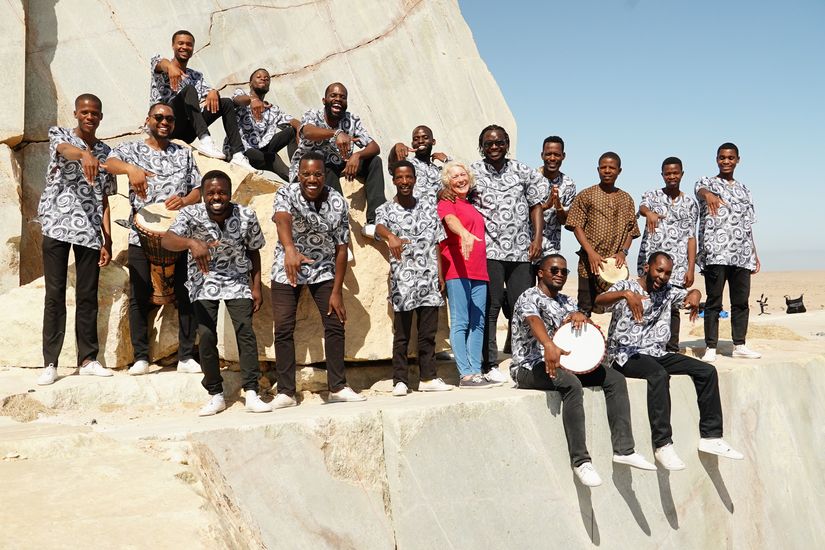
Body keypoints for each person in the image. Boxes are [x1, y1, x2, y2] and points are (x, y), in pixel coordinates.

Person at [511, 254, 656, 487]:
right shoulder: (529, 297)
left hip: (566, 364)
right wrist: (548, 345)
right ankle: (581, 461)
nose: (560, 275)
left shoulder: (566, 301)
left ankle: (624, 449)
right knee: (571, 385)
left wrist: (581, 316)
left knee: (615, 379)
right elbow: (533, 321)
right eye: (554, 270)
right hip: (530, 366)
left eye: (564, 272)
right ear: (540, 272)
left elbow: (579, 321)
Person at [595, 251, 744, 469]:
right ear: (647, 268)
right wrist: (625, 294)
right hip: (625, 354)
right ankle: (663, 445)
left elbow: (690, 293)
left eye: (667, 273)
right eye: (659, 270)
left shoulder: (667, 291)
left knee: (706, 372)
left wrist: (695, 294)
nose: (662, 277)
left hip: (656, 352)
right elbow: (599, 301)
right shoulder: (625, 287)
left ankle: (711, 437)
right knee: (658, 375)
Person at [162, 170, 270, 416]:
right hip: (204, 278)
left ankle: (252, 392)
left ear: (230, 193)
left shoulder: (246, 215)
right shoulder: (190, 213)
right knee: (207, 335)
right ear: (203, 195)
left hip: (237, 277)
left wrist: (256, 286)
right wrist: (191, 243)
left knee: (245, 331)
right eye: (211, 193)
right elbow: (167, 240)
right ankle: (215, 394)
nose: (216, 197)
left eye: (221, 192)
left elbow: (254, 250)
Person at [106, 102, 201, 376]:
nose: (164, 122)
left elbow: (198, 189)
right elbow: (109, 163)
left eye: (169, 119)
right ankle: (141, 358)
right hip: (141, 235)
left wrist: (184, 200)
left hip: (178, 233)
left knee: (186, 292)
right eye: (159, 117)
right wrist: (131, 170)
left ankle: (185, 356)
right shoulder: (133, 149)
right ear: (148, 119)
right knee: (139, 295)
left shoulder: (184, 154)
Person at [271, 152, 366, 406]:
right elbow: (282, 219)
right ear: (298, 175)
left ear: (325, 176)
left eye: (317, 174)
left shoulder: (336, 201)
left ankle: (337, 387)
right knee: (282, 327)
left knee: (335, 323)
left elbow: (342, 248)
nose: (311, 179)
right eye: (306, 174)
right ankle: (286, 392)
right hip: (288, 265)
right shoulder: (286, 193)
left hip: (323, 267)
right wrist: (290, 250)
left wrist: (336, 291)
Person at [36, 94, 116, 385]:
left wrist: (107, 239)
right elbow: (66, 150)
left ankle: (88, 359)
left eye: (94, 112)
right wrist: (83, 155)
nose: (89, 116)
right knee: (55, 295)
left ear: (101, 117)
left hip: (89, 231)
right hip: (57, 224)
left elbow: (104, 198)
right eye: (84, 112)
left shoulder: (107, 151)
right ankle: (51, 362)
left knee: (87, 297)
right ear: (76, 113)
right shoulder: (60, 134)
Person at [469, 125, 547, 383]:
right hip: (488, 250)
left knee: (521, 306)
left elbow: (536, 207)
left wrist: (537, 239)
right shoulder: (473, 172)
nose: (494, 147)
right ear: (482, 146)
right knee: (489, 308)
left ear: (506, 144)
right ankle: (489, 363)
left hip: (522, 251)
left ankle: (523, 358)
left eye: (499, 142)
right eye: (489, 143)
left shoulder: (523, 171)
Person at [375, 161, 454, 396]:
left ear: (415, 179)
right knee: (401, 335)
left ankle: (428, 378)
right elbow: (378, 226)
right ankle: (400, 380)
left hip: (429, 279)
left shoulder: (428, 207)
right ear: (394, 181)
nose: (405, 182)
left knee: (427, 335)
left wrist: (440, 274)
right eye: (400, 178)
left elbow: (437, 242)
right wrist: (391, 236)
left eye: (408, 177)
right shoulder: (387, 209)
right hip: (403, 281)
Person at [288, 82, 386, 235]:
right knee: (324, 166)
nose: (338, 99)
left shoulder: (351, 119)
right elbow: (306, 132)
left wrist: (357, 155)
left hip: (340, 164)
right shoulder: (313, 115)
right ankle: (339, 227)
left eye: (343, 97)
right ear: (324, 100)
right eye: (333, 96)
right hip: (314, 169)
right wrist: (336, 133)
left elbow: (374, 146)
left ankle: (375, 222)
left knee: (375, 161)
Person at [695, 143, 761, 362]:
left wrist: (754, 253)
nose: (726, 161)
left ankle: (739, 344)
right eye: (722, 157)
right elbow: (700, 191)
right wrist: (708, 195)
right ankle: (711, 346)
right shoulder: (707, 182)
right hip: (716, 252)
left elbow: (748, 225)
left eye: (730, 158)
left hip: (741, 253)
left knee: (741, 301)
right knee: (714, 300)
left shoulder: (745, 190)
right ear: (716, 159)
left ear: (737, 160)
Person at [149, 30, 251, 169]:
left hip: (186, 131)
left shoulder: (196, 76)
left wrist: (214, 92)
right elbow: (160, 63)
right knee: (189, 90)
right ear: (173, 46)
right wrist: (170, 67)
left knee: (226, 103)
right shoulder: (163, 67)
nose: (184, 47)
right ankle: (205, 140)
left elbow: (209, 93)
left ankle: (238, 154)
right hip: (165, 125)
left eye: (189, 44)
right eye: (180, 43)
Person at [437, 161, 494, 389]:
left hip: (480, 270)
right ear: (447, 183)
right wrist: (464, 234)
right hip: (457, 270)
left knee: (478, 322)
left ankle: (476, 371)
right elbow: (450, 221)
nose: (460, 179)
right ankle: (465, 374)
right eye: (454, 176)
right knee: (460, 321)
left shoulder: (471, 203)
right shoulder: (446, 201)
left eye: (463, 175)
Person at [566, 152, 640, 315]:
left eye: (611, 168)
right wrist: (591, 253)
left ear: (619, 171)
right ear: (598, 169)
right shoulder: (586, 194)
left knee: (620, 309)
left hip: (616, 266)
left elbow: (631, 230)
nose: (607, 170)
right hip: (589, 263)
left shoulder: (626, 198)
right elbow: (576, 226)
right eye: (603, 167)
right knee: (585, 308)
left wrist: (623, 252)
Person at [637, 157, 698, 352]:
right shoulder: (652, 195)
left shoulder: (690, 203)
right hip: (653, 260)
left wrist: (690, 268)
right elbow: (642, 207)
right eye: (667, 173)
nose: (671, 176)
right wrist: (649, 214)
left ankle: (671, 348)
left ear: (682, 174)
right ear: (662, 175)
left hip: (677, 265)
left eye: (675, 173)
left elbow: (691, 238)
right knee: (648, 302)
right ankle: (644, 344)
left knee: (672, 306)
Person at [227, 68, 300, 181]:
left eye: (267, 79)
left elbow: (292, 121)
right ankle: (295, 180)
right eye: (259, 77)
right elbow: (237, 100)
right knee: (273, 158)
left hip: (262, 149)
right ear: (250, 83)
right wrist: (251, 100)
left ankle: (299, 170)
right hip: (241, 150)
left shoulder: (272, 109)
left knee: (292, 131)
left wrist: (299, 128)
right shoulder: (241, 94)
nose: (263, 79)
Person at [387, 125, 450, 206]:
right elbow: (392, 165)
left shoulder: (439, 170)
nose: (420, 141)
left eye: (425, 137)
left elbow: (462, 181)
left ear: (433, 142)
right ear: (412, 144)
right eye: (416, 139)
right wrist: (396, 147)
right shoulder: (408, 166)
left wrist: (448, 161)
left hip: (436, 216)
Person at [537, 136, 576, 258]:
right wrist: (545, 206)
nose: (552, 158)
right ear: (542, 155)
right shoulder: (530, 179)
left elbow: (565, 221)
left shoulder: (569, 184)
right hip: (527, 248)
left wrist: (559, 207)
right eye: (548, 154)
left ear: (563, 156)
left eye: (557, 154)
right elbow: (519, 214)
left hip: (551, 250)